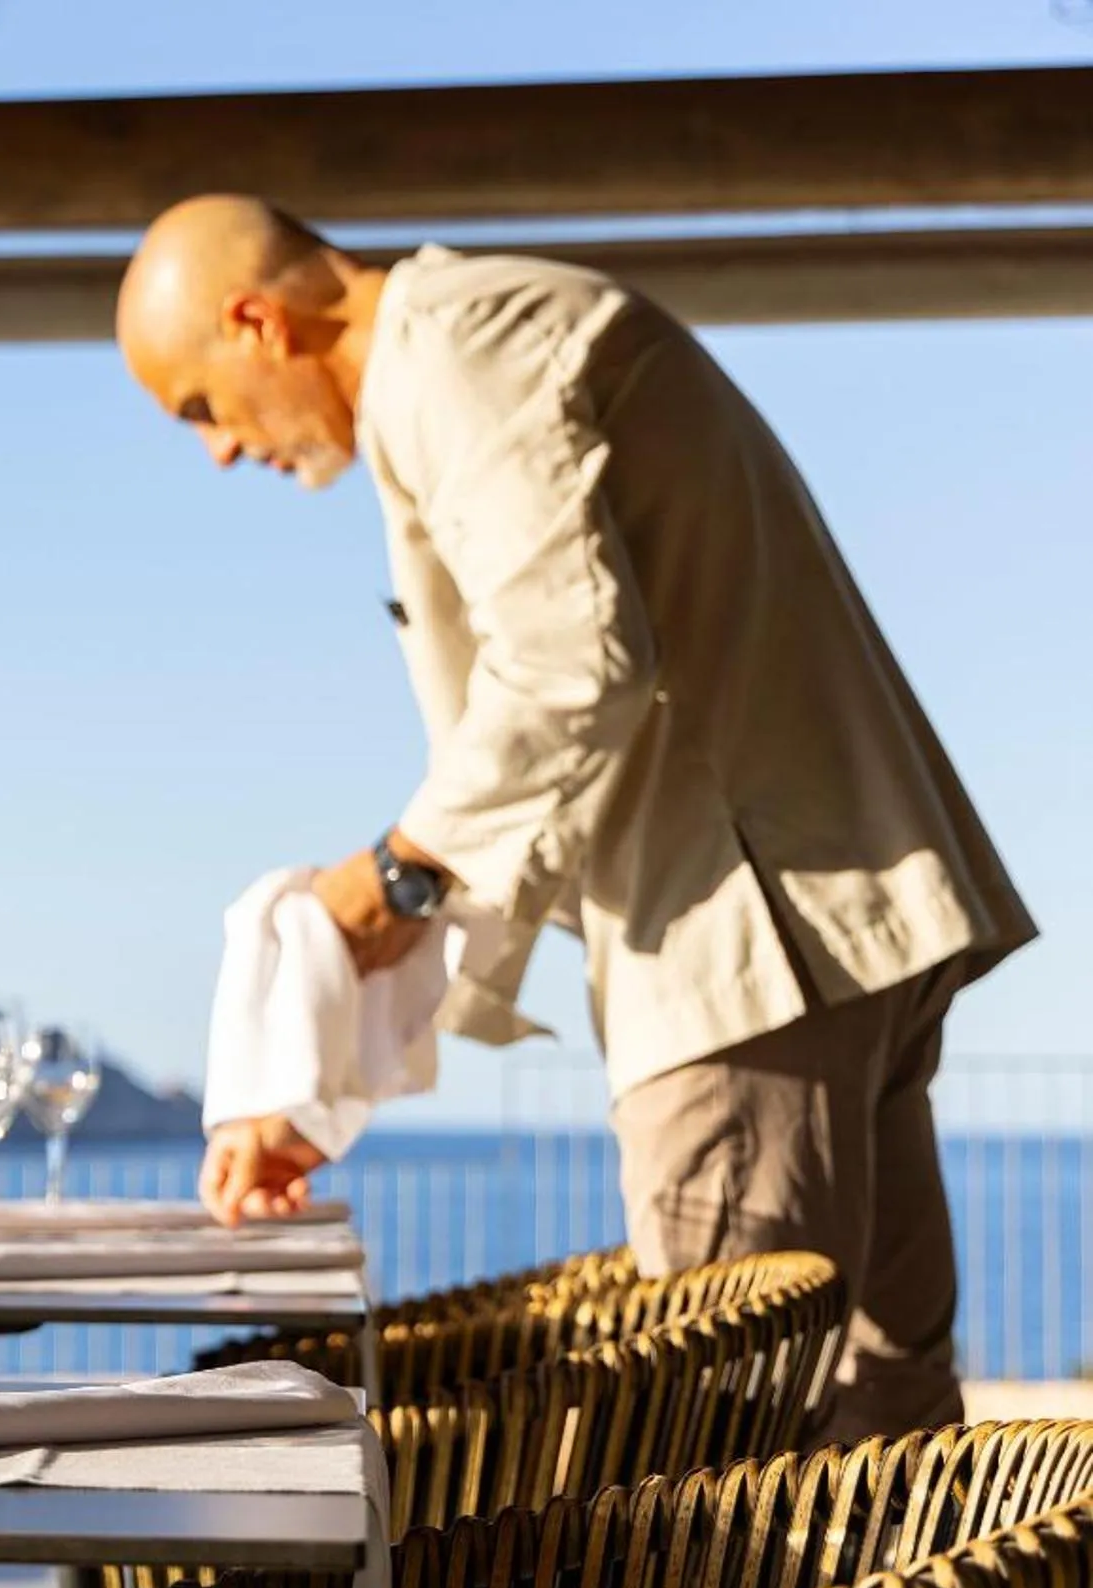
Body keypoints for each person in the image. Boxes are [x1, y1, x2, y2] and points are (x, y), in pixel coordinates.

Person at [117, 195, 1034, 1441]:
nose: (218, 450)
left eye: (197, 408)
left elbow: (566, 664)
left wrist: (395, 873)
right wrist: (333, 1042)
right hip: (833, 917)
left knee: (719, 1468)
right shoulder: (482, 338)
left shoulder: (450, 350)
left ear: (253, 321)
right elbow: (583, 704)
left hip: (743, 946)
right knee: (889, 1431)